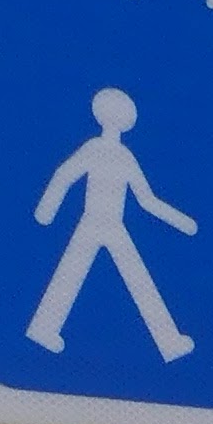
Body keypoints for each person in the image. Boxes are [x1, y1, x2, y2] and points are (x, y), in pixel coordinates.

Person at [27, 89, 196, 361]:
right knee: (106, 275)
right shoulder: (95, 148)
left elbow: (146, 199)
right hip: (94, 221)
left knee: (115, 275)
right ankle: (169, 341)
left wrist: (181, 221)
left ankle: (170, 341)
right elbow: (65, 174)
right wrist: (46, 211)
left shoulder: (124, 155)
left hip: (111, 224)